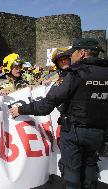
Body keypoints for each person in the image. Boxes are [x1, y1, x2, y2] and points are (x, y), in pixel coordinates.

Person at [8, 38, 108, 189]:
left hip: (74, 133)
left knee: (72, 174)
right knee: (90, 167)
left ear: (81, 53)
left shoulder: (74, 74)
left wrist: (20, 109)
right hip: (99, 133)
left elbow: (46, 106)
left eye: (72, 54)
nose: (70, 58)